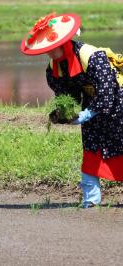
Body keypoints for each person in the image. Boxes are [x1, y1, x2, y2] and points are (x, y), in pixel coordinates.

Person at [21, 13, 123, 207]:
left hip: (118, 101)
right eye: (46, 50)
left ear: (63, 44)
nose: (49, 53)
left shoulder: (92, 56)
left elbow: (108, 91)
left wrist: (87, 114)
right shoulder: (54, 68)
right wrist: (62, 114)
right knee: (92, 149)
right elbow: (69, 96)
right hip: (93, 104)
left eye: (52, 48)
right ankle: (91, 201)